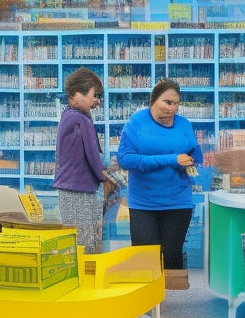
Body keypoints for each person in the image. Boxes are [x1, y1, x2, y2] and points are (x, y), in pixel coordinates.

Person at [117, 78, 202, 290]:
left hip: (179, 202)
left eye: (176, 103)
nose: (172, 108)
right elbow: (125, 159)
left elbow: (195, 155)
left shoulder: (184, 124)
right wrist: (171, 159)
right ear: (153, 100)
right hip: (144, 204)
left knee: (172, 254)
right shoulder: (137, 123)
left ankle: (168, 304)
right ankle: (146, 300)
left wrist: (192, 157)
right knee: (145, 255)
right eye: (167, 102)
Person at [53, 67, 111, 254]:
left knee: (74, 242)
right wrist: (105, 177)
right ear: (77, 93)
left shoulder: (68, 115)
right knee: (86, 243)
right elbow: (93, 155)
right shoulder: (81, 119)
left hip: (68, 187)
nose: (97, 101)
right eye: (94, 95)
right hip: (80, 188)